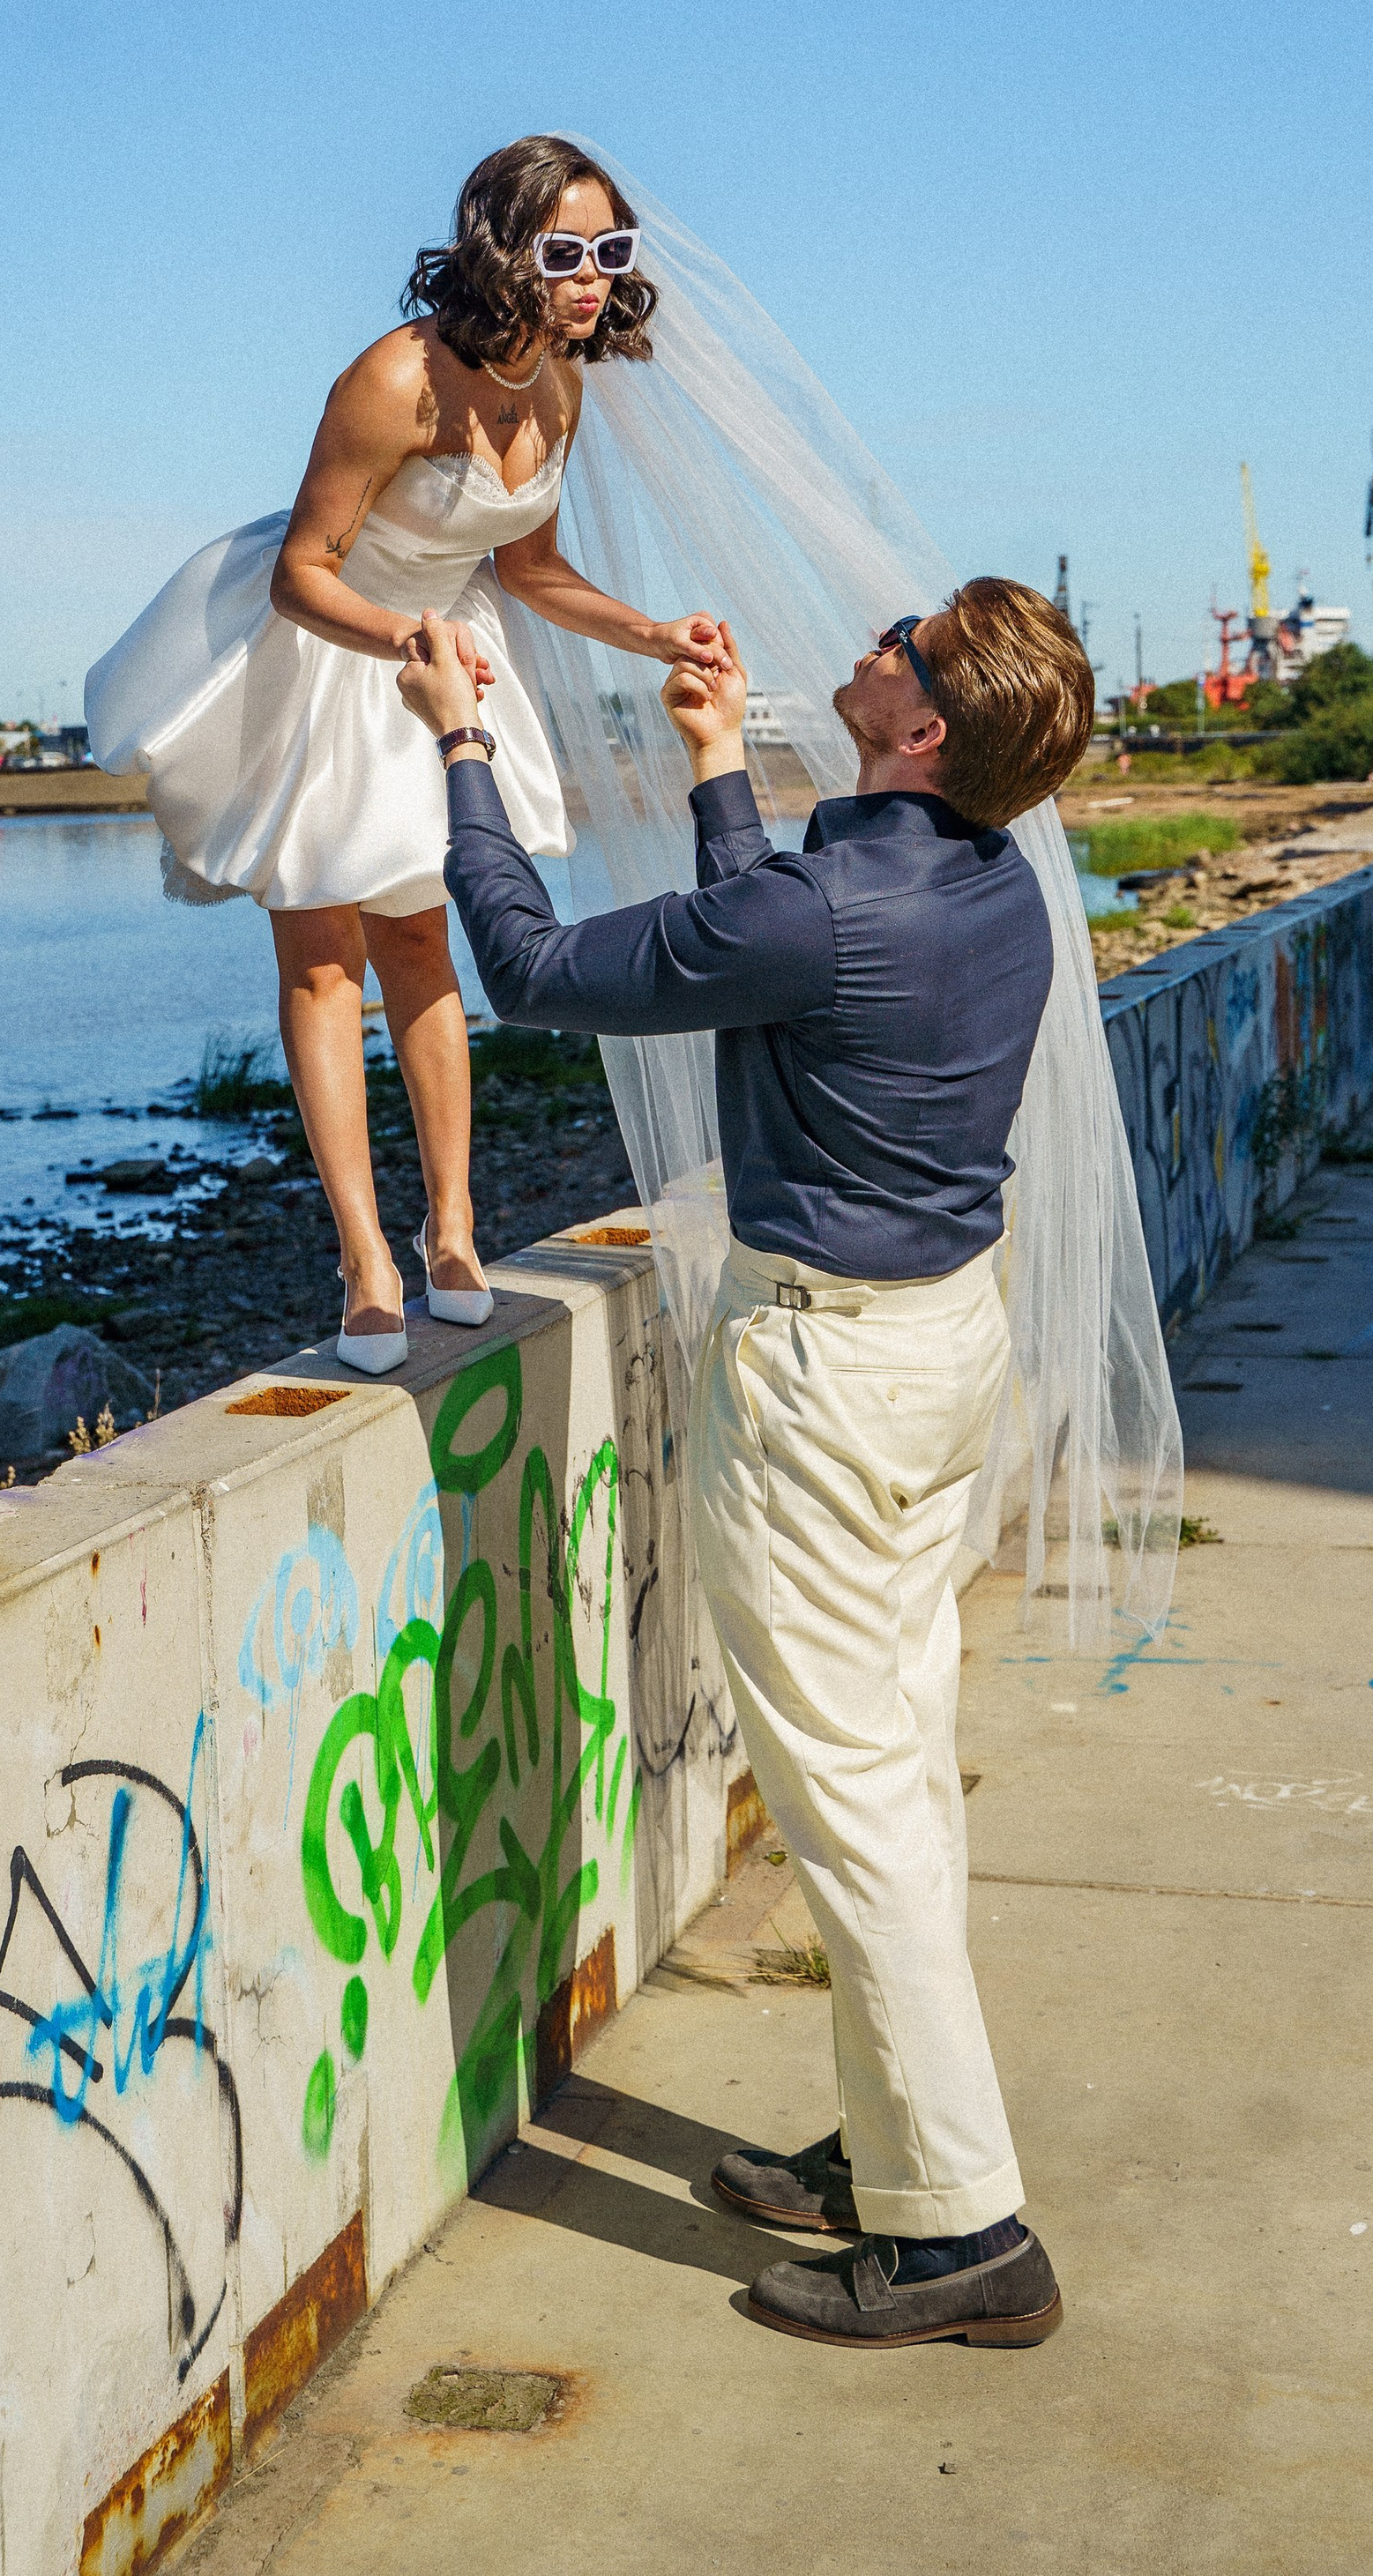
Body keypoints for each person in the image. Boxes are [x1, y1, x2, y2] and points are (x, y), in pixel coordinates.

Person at [395, 578, 1093, 2352]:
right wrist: (716, 771)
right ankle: (896, 2153)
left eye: (901, 638)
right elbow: (770, 938)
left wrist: (461, 746)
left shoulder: (832, 902)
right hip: (941, 1361)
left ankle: (967, 2240)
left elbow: (540, 971)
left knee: (852, 1813)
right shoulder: (990, 880)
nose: (873, 636)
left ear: (918, 728)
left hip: (829, 1382)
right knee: (897, 1772)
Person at [83, 138, 722, 1375]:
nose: (592, 279)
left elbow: (524, 567)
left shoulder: (563, 382)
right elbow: (300, 570)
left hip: (446, 650)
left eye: (612, 252)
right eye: (565, 253)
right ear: (504, 252)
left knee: (428, 944)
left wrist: (652, 633)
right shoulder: (392, 381)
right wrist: (406, 640)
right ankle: (364, 1261)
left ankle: (455, 1230)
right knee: (325, 965)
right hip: (331, 651)